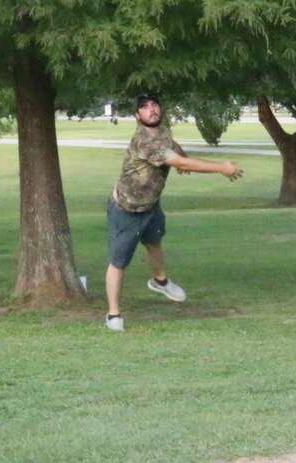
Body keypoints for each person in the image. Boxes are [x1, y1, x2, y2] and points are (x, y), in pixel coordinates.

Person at [104, 94, 243, 332]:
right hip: (126, 209)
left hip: (151, 205)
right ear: (138, 116)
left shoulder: (162, 132)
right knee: (119, 262)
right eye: (145, 108)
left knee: (154, 242)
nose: (151, 109)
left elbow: (173, 148)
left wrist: (182, 157)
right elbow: (180, 162)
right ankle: (113, 315)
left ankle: (160, 282)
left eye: (155, 105)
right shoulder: (145, 140)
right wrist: (220, 167)